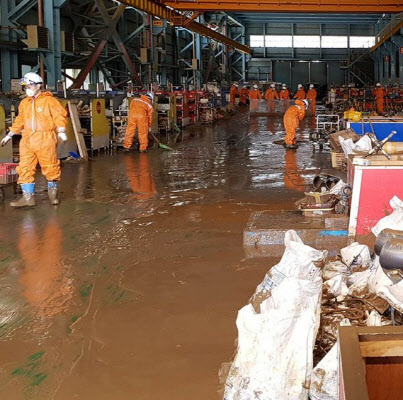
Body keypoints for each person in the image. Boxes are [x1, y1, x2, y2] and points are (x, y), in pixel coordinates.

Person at [0, 72, 67, 207]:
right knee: (25, 167)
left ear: (38, 85)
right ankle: (28, 198)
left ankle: (53, 196)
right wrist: (10, 135)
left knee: (50, 166)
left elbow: (59, 115)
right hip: (27, 139)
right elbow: (20, 120)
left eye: (29, 85)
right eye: (25, 86)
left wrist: (61, 130)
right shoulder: (24, 103)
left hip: (45, 138)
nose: (27, 88)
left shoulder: (50, 101)